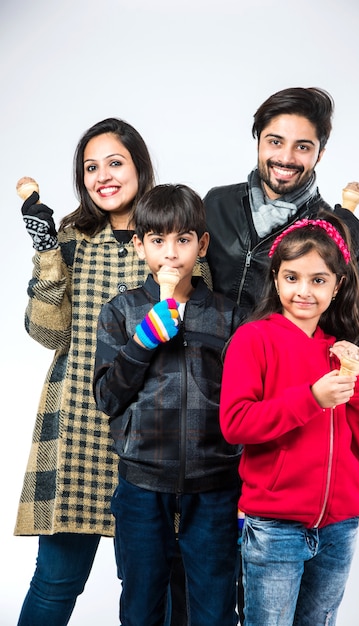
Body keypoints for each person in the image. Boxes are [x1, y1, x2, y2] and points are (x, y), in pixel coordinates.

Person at [15, 119, 201, 625]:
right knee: (55, 582)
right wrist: (46, 253)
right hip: (78, 421)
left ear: (139, 165)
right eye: (90, 167)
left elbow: (195, 330)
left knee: (151, 587)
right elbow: (49, 334)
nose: (103, 176)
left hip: (153, 434)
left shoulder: (169, 232)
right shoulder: (73, 238)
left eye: (114, 162)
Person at [219, 212, 359, 626]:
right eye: (292, 277)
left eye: (318, 280)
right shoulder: (253, 339)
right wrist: (312, 398)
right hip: (275, 527)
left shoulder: (341, 349)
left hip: (340, 526)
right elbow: (235, 423)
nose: (304, 291)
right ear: (275, 279)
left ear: (338, 285)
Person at [93, 183, 245, 626]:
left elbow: (242, 401)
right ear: (140, 245)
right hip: (142, 484)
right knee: (142, 604)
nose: (171, 254)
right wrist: (143, 341)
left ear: (202, 245)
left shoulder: (228, 315)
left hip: (215, 485)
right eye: (158, 241)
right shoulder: (121, 311)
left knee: (215, 606)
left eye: (183, 240)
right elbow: (107, 397)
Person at [204, 86, 359, 351]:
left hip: (277, 380)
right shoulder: (217, 203)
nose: (286, 158)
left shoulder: (328, 227)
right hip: (204, 373)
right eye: (275, 141)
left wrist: (352, 247)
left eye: (302, 147)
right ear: (259, 142)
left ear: (319, 154)